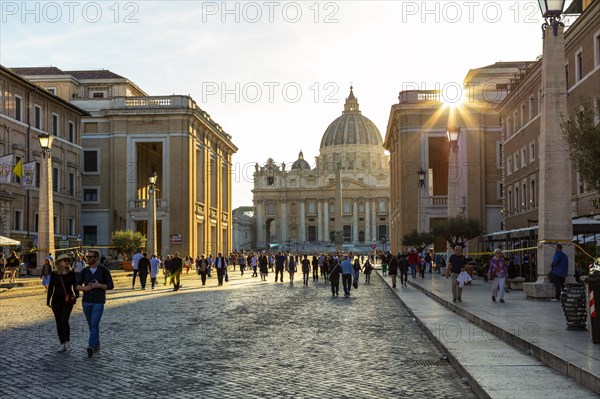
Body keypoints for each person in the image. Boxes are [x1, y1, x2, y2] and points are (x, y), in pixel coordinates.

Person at [76, 249, 114, 358]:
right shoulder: (84, 271)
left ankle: (91, 346)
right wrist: (84, 288)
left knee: (94, 324)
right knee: (91, 325)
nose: (87, 259)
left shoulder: (104, 271)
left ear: (96, 258)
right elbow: (77, 285)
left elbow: (110, 286)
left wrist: (99, 286)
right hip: (86, 302)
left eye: (90, 257)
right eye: (87, 257)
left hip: (98, 301)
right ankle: (96, 343)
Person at [47, 253, 78, 353]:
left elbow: (75, 285)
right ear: (59, 262)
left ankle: (67, 342)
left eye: (68, 260)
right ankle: (62, 344)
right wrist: (48, 300)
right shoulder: (54, 273)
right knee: (58, 323)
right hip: (56, 300)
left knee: (64, 321)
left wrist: (76, 295)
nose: (67, 262)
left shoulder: (71, 273)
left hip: (68, 300)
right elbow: (51, 287)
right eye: (65, 260)